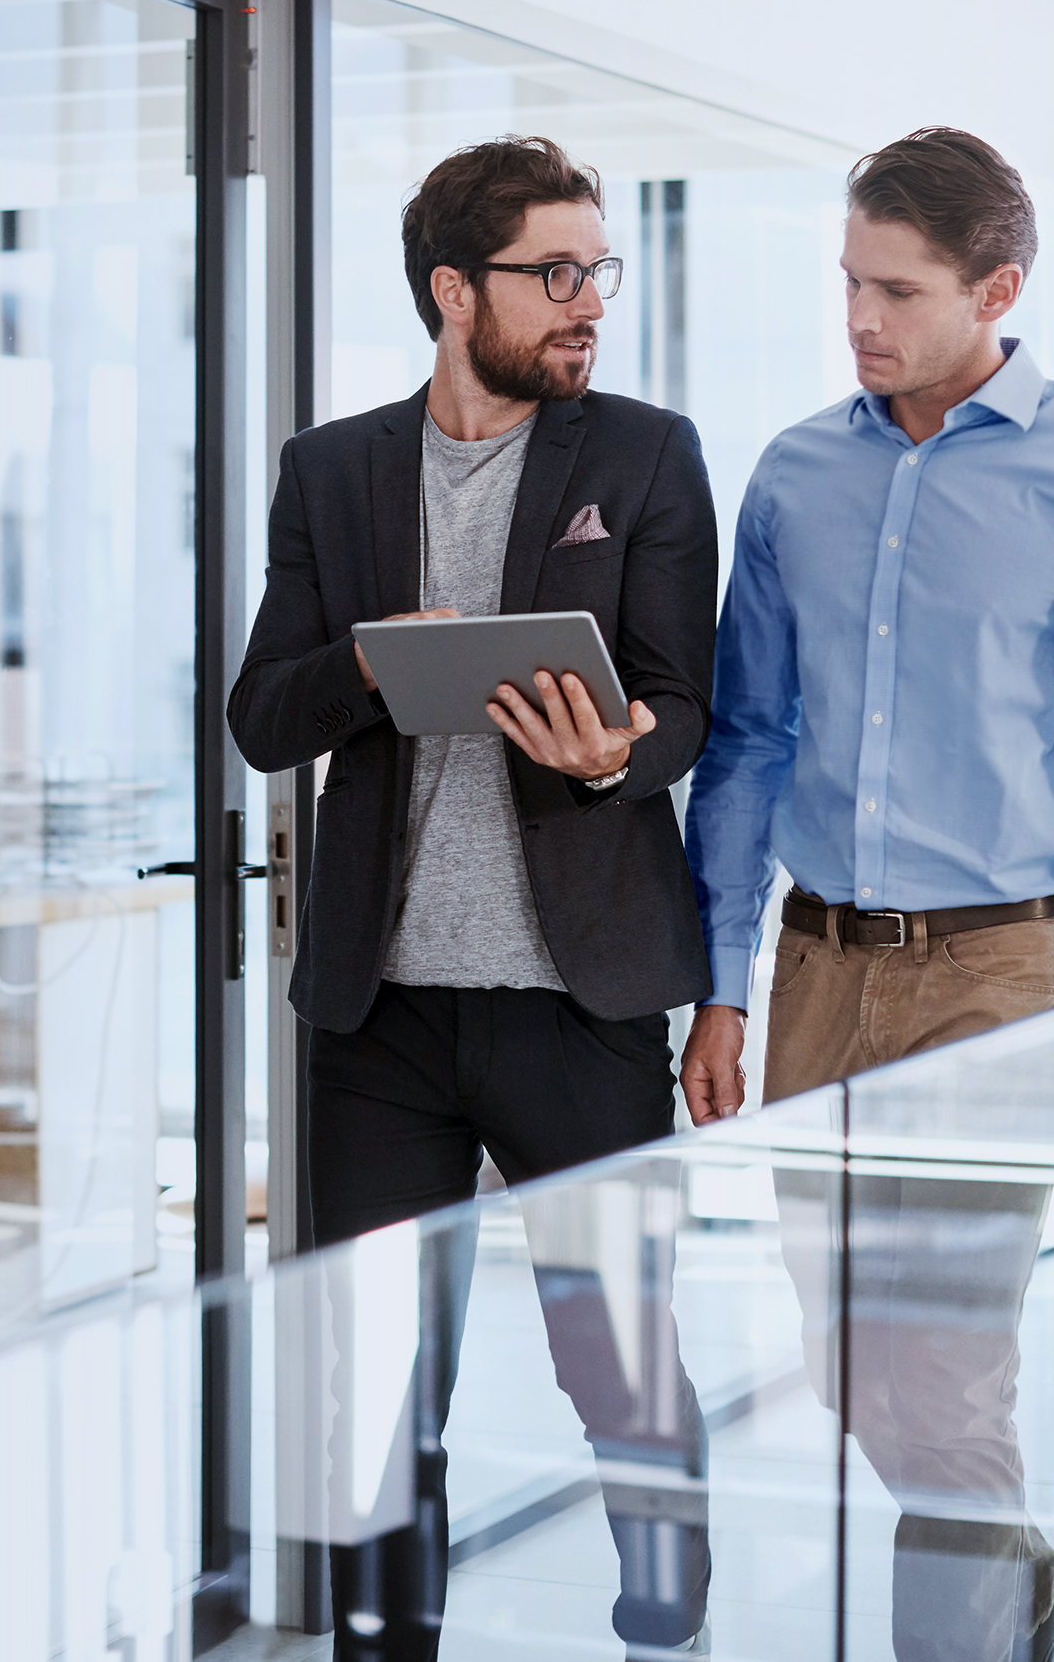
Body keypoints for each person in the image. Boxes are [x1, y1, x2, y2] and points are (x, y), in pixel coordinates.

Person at [682, 127, 1054, 1662]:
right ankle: (1025, 1581)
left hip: (997, 978)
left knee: (954, 1363)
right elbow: (746, 741)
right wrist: (723, 981)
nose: (862, 317)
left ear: (1000, 288)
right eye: (850, 281)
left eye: (898, 290)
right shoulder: (796, 470)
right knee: (849, 1363)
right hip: (817, 970)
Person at [229, 134, 719, 1661]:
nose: (587, 302)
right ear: (456, 291)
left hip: (581, 999)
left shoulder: (643, 453)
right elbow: (262, 716)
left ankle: (666, 1631)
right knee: (375, 1388)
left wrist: (617, 751)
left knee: (621, 1368)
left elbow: (685, 702)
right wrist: (375, 664)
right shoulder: (333, 469)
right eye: (553, 274)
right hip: (380, 1014)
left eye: (598, 271)